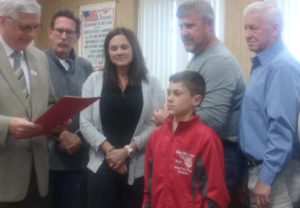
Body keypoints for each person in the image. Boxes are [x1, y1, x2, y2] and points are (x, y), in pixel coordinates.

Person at [152, 0, 245, 205]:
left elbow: (212, 120)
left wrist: (170, 118)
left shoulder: (218, 61)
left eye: (190, 25)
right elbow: (188, 102)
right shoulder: (198, 57)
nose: (183, 32)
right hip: (196, 147)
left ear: (209, 24)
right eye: (181, 26)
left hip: (220, 151)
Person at [80, 27, 165, 208]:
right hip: (101, 165)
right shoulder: (94, 80)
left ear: (133, 48)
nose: (119, 52)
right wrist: (111, 153)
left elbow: (156, 124)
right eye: (114, 48)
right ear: (108, 53)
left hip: (138, 167)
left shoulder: (152, 83)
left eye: (124, 47)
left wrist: (127, 150)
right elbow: (85, 122)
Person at [0, 0, 67, 207]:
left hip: (37, 179)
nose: (30, 34)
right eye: (24, 27)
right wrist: (7, 126)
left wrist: (57, 122)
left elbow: (48, 103)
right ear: (2, 21)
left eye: (35, 27)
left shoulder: (40, 58)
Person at [239, 1, 300, 208]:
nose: (247, 34)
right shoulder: (263, 64)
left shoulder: (281, 66)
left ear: (275, 29)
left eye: (253, 28)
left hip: (275, 174)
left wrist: (265, 178)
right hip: (260, 169)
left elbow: (281, 129)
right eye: (245, 28)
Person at [143, 71, 230, 208]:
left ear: (196, 100)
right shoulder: (156, 136)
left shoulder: (206, 139)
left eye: (177, 94)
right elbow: (148, 185)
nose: (170, 99)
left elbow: (215, 193)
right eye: (169, 93)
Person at [45, 8, 93, 208]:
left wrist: (78, 136)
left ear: (78, 36)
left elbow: (92, 108)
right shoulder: (37, 63)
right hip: (45, 159)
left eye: (69, 32)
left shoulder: (86, 67)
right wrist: (62, 135)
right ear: (50, 33)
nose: (63, 37)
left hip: (77, 157)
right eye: (59, 30)